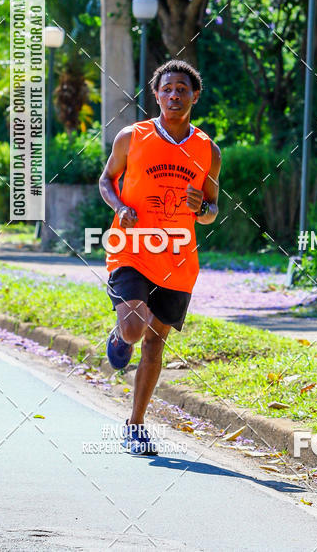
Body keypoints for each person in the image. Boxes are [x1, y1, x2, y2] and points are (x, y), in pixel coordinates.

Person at [98, 59, 221, 455]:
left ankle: (135, 425)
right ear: (156, 95)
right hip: (132, 247)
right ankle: (119, 334)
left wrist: (203, 208)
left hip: (178, 259)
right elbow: (106, 180)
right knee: (135, 330)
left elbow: (212, 210)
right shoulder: (131, 137)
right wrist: (119, 206)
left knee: (154, 343)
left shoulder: (208, 150)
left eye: (182, 89)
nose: (174, 95)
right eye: (167, 89)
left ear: (195, 96)